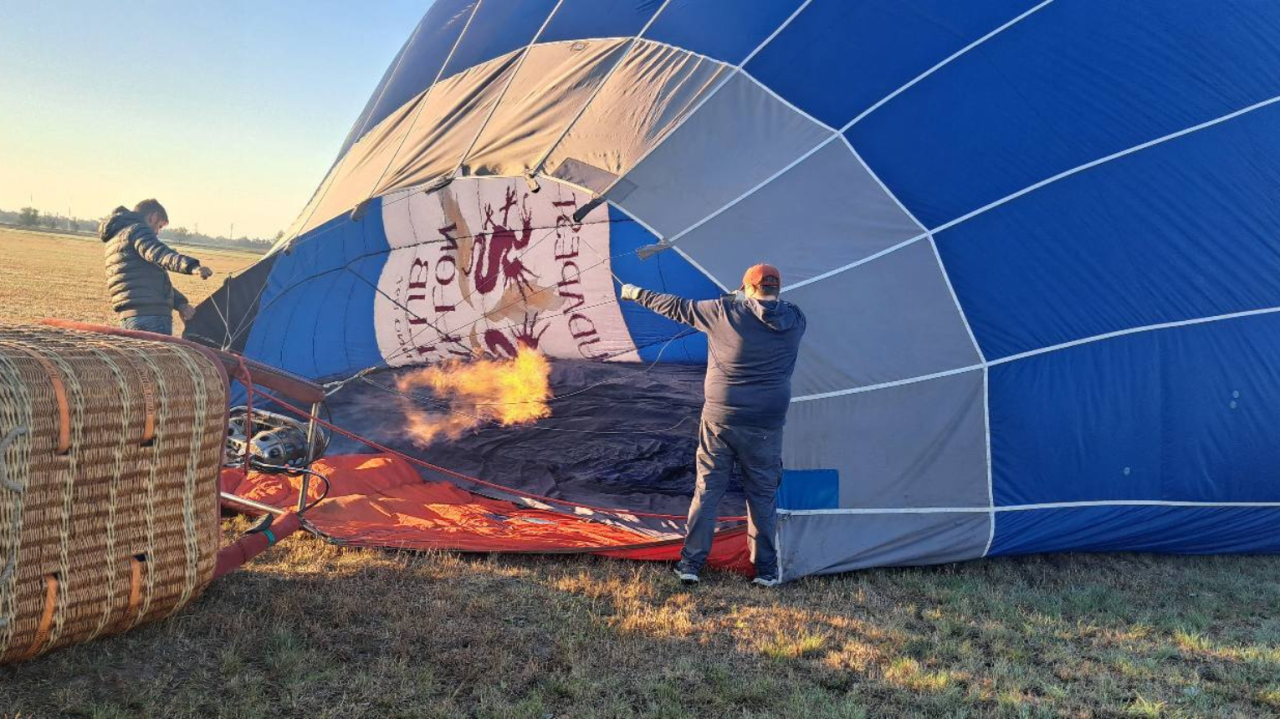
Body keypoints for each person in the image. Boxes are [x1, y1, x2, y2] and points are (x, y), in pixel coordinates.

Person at [620, 263, 806, 587]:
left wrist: (635, 293)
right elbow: (767, 309)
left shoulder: (722, 312)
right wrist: (744, 298)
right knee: (762, 496)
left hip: (720, 420)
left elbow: (675, 306)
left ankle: (691, 565)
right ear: (777, 289)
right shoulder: (795, 320)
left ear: (747, 288)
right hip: (766, 424)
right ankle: (766, 571)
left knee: (708, 491)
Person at [100, 199, 212, 335]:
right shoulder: (138, 231)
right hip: (151, 319)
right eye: (159, 226)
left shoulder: (117, 238)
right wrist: (192, 266)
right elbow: (159, 253)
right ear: (153, 217)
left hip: (129, 318)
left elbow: (149, 282)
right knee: (161, 357)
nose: (157, 233)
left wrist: (181, 304)